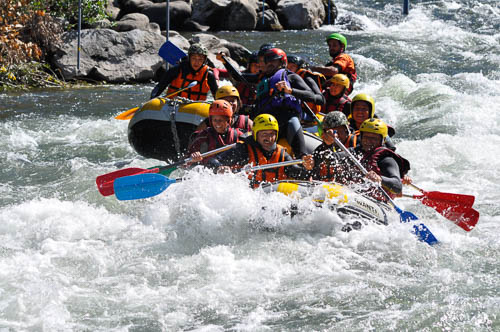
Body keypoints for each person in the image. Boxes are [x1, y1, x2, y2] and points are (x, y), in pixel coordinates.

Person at [208, 114, 313, 188]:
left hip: (271, 198)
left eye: (272, 134)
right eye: (264, 134)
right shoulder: (243, 149)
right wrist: (219, 168)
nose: (269, 138)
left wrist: (307, 168)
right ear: (255, 135)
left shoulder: (282, 154)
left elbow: (298, 174)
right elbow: (213, 162)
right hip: (248, 197)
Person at [253, 48, 319, 157]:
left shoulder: (291, 77)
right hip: (267, 121)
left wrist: (290, 91)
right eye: (266, 61)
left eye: (273, 61)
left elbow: (312, 96)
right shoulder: (262, 79)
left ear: (282, 62)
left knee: (293, 122)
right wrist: (225, 61)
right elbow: (239, 77)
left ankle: (302, 157)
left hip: (287, 118)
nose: (269, 64)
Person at [334, 118, 410, 201]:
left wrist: (380, 179)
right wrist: (327, 144)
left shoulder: (387, 159)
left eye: (374, 138)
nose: (368, 141)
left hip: (377, 203)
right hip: (352, 195)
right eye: (366, 137)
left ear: (382, 140)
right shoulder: (353, 152)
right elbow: (331, 158)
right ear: (361, 137)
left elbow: (397, 186)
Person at [150, 43, 218, 100]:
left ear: (204, 60)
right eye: (194, 58)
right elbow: (159, 87)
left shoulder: (209, 75)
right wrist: (152, 100)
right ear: (189, 58)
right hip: (173, 106)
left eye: (200, 59)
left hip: (196, 108)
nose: (196, 62)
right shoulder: (176, 70)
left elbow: (217, 96)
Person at [188, 100, 245, 164]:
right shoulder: (202, 136)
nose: (217, 123)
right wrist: (193, 158)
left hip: (230, 170)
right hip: (207, 170)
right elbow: (186, 162)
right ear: (211, 120)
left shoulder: (238, 135)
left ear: (228, 120)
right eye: (215, 120)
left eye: (220, 120)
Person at [309, 112, 352, 181]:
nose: (336, 136)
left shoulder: (355, 142)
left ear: (346, 130)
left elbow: (344, 156)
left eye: (339, 131)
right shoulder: (321, 149)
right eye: (332, 132)